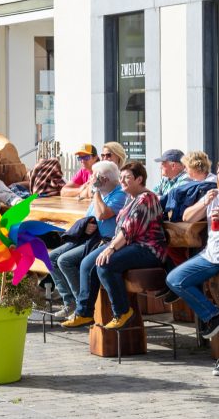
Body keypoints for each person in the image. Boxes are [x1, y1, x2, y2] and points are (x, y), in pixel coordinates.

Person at [62, 162, 167, 330]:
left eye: (127, 178)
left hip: (148, 249)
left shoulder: (146, 198)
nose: (122, 181)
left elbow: (128, 231)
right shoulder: (130, 198)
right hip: (128, 244)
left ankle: (122, 312)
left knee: (105, 264)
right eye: (121, 177)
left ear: (139, 179)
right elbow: (121, 230)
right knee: (87, 264)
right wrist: (108, 246)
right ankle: (84, 313)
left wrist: (110, 248)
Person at [48, 161, 127, 318]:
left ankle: (80, 307)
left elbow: (102, 214)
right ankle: (69, 302)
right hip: (90, 238)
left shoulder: (119, 194)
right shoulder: (102, 193)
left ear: (103, 179)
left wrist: (96, 190)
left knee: (65, 260)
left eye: (94, 176)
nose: (90, 179)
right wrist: (85, 227)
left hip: (106, 241)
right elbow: (90, 217)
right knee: (50, 258)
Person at [164, 184, 219, 359]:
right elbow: (187, 217)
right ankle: (212, 315)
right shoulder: (213, 196)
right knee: (175, 278)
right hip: (211, 255)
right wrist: (204, 201)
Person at [160, 151, 217, 222]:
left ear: (195, 167)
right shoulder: (198, 181)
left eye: (186, 167)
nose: (185, 170)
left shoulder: (210, 183)